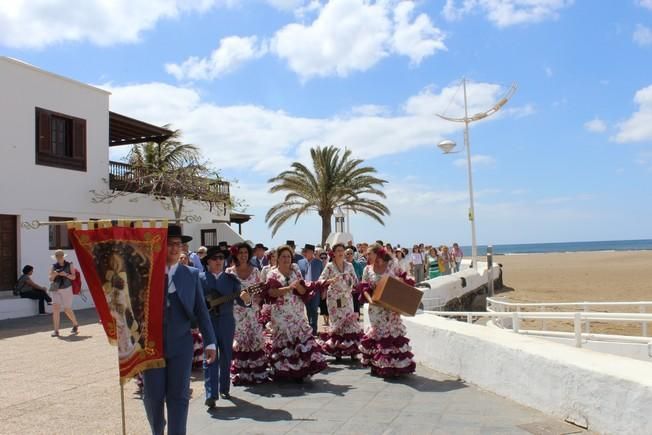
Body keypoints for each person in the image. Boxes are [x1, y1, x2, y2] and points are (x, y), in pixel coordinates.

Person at [142, 225, 217, 435]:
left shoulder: (191, 274)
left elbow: (202, 311)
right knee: (153, 396)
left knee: (179, 396)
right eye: (170, 244)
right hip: (151, 347)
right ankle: (157, 430)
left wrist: (210, 342)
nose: (175, 248)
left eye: (179, 244)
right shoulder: (146, 273)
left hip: (181, 345)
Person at [264, 245, 327, 381]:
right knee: (284, 342)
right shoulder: (272, 273)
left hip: (296, 312)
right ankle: (285, 372)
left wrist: (299, 287)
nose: (286, 259)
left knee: (299, 341)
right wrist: (288, 288)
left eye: (288, 256)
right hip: (280, 314)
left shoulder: (295, 272)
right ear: (277, 259)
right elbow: (271, 292)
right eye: (283, 256)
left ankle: (299, 371)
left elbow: (303, 292)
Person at [358, 244, 416, 378]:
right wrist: (370, 299)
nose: (367, 256)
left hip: (391, 307)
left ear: (377, 253)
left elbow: (404, 279)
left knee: (391, 333)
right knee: (378, 334)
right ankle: (379, 365)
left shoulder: (392, 265)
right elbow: (364, 287)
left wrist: (401, 284)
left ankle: (394, 366)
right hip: (375, 308)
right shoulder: (367, 269)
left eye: (369, 254)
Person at [200, 246, 247, 407]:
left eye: (221, 258)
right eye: (215, 258)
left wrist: (246, 298)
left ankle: (224, 387)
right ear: (208, 262)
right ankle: (211, 394)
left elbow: (243, 301)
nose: (219, 261)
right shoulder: (200, 279)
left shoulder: (231, 280)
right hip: (208, 322)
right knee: (210, 356)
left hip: (227, 321)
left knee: (226, 355)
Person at [226, 242, 269, 385]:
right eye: (240, 253)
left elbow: (261, 290)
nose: (243, 255)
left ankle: (257, 372)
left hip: (253, 311)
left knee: (255, 339)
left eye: (245, 253)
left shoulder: (256, 271)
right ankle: (241, 373)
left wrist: (257, 296)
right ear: (235, 255)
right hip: (236, 312)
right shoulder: (229, 272)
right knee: (240, 341)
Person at [319, 243, 363, 360]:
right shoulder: (329, 266)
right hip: (334, 299)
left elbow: (355, 280)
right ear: (333, 253)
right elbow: (320, 280)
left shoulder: (349, 266)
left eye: (342, 250)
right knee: (337, 324)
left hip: (347, 298)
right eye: (338, 250)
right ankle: (337, 350)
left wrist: (352, 285)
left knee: (349, 322)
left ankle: (353, 351)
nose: (340, 253)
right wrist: (331, 280)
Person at [49, 250, 80, 337]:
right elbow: (50, 279)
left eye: (60, 256)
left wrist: (65, 274)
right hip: (55, 287)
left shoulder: (70, 264)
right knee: (55, 308)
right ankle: (56, 331)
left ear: (63, 256)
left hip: (67, 288)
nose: (59, 258)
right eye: (57, 257)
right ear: (55, 258)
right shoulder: (53, 266)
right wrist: (54, 274)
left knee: (67, 309)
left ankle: (75, 323)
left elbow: (73, 277)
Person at [297, 244, 325, 335]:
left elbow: (322, 277)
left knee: (314, 308)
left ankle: (314, 329)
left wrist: (323, 290)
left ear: (312, 252)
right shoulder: (300, 262)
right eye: (304, 251)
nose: (305, 253)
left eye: (307, 251)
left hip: (315, 289)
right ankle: (309, 327)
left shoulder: (318, 262)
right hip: (304, 290)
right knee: (308, 309)